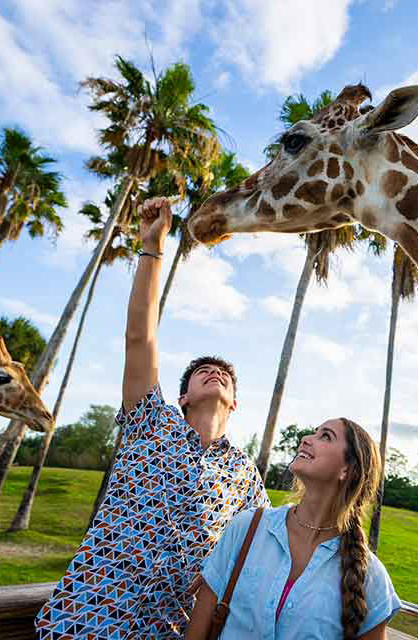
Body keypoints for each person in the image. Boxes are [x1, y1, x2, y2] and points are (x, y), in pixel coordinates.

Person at [36, 197, 270, 639]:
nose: (215, 373)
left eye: (224, 376)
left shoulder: (244, 474)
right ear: (183, 397)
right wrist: (152, 246)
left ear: (234, 404)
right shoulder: (150, 422)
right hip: (88, 620)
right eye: (204, 372)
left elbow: (256, 549)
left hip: (170, 630)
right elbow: (139, 337)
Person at [185, 418, 401, 639]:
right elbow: (198, 628)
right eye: (313, 433)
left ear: (348, 470)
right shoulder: (247, 526)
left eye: (325, 436)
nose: (305, 439)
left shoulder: (372, 578)